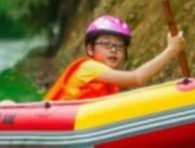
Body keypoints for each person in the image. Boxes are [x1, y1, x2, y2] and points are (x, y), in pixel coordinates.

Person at [44, 15, 185, 101]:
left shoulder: (110, 80)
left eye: (119, 46)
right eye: (106, 44)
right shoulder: (89, 67)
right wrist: (172, 50)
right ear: (90, 49)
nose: (113, 49)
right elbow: (136, 79)